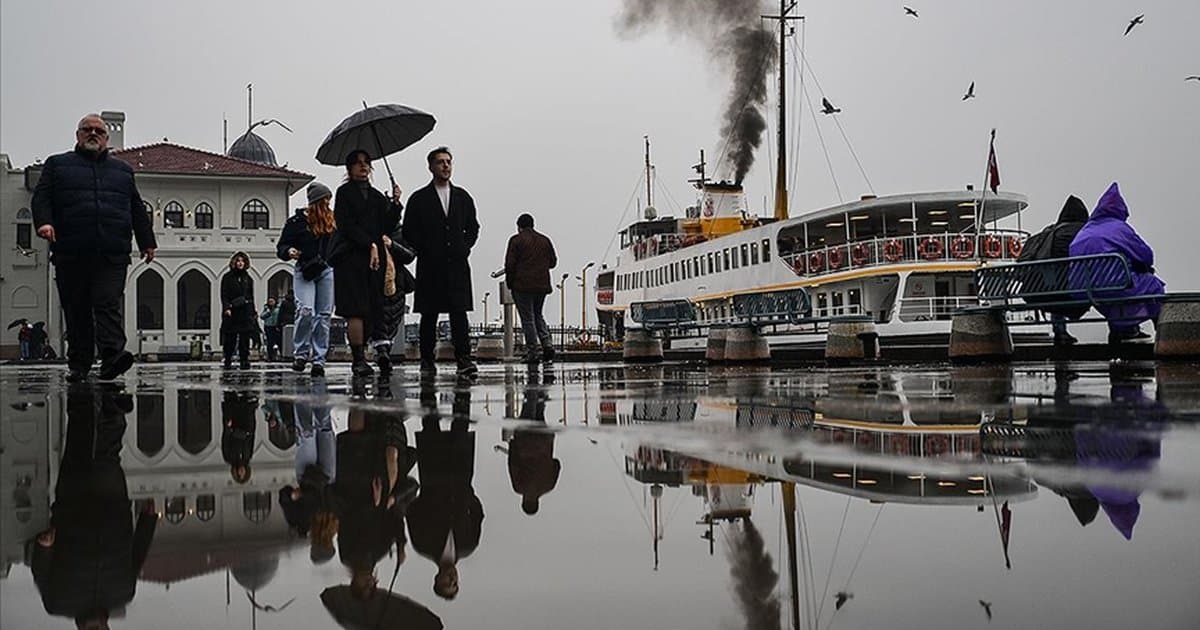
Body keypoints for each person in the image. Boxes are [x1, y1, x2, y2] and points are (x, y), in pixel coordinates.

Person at [31, 113, 157, 382]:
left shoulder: (122, 171)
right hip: (71, 251)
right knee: (76, 308)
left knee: (107, 302)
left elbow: (136, 207)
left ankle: (113, 356)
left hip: (112, 251)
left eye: (98, 131)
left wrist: (147, 241)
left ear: (106, 138)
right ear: (77, 135)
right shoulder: (58, 165)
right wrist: (44, 222)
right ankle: (80, 362)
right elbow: (42, 198)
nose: (93, 134)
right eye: (87, 130)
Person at [29, 385, 158, 629]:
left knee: (79, 446)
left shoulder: (58, 602)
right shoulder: (123, 594)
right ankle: (112, 399)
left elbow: (41, 573)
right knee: (108, 454)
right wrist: (148, 521)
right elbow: (137, 555)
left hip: (73, 509)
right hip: (113, 510)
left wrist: (44, 548)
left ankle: (82, 394)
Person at [402, 147, 481, 377]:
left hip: (457, 263)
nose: (445, 166)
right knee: (429, 313)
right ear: (431, 167)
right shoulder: (419, 198)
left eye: (448, 162)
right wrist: (424, 247)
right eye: (440, 162)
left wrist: (464, 246)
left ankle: (464, 359)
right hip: (430, 264)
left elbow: (473, 227)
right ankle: (427, 360)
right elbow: (409, 230)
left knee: (459, 313)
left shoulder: (462, 197)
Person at [331, 151, 403, 377]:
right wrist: (369, 244)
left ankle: (382, 351)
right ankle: (359, 358)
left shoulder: (375, 196)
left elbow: (386, 226)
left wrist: (396, 203)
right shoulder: (344, 193)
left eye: (366, 164)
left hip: (375, 260)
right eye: (358, 164)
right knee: (355, 309)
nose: (363, 167)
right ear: (349, 169)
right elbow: (346, 225)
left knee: (376, 304)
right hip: (351, 257)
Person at [407, 386, 482, 600]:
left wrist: (426, 497)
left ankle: (428, 388)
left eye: (447, 583)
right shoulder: (468, 545)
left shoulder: (423, 545)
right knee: (461, 424)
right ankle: (462, 391)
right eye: (455, 584)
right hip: (460, 477)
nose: (452, 579)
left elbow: (412, 514)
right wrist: (468, 494)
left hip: (433, 477)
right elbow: (477, 515)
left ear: (437, 579)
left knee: (430, 422)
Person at [1069, 182, 1166, 344]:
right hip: (1115, 286)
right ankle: (1162, 333)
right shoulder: (1119, 228)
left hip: (1083, 288)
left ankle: (1120, 330)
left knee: (1111, 290)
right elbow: (1146, 255)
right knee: (1154, 285)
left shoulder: (1084, 231)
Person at [279, 182, 337, 377]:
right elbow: (282, 245)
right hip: (304, 269)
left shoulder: (332, 221)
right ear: (315, 202)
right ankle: (301, 353)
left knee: (324, 315)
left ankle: (319, 359)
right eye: (325, 200)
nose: (328, 203)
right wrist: (289, 251)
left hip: (326, 269)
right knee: (306, 310)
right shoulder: (296, 222)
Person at [1018, 195, 1091, 347]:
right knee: (1106, 285)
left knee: (1054, 285)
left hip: (1042, 291)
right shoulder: (1083, 232)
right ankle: (1123, 330)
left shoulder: (1048, 233)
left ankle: (1060, 331)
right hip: (1076, 292)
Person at [504, 213, 558, 365]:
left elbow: (510, 265)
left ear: (519, 227)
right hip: (542, 285)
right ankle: (547, 345)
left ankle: (533, 352)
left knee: (527, 319)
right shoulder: (544, 240)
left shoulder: (516, 241)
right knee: (538, 315)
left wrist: (510, 283)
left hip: (522, 285)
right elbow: (553, 262)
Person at [368, 227, 416, 376]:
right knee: (380, 316)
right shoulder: (373, 228)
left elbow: (410, 255)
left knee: (391, 318)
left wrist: (392, 246)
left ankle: (383, 349)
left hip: (395, 280)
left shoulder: (402, 232)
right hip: (379, 281)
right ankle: (383, 349)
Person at [220, 252, 257, 369]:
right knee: (230, 338)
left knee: (245, 338)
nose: (240, 263)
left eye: (242, 261)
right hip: (232, 311)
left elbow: (251, 296)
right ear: (234, 262)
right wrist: (226, 308)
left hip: (245, 312)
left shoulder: (248, 278)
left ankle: (244, 359)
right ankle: (228, 358)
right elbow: (224, 294)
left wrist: (253, 311)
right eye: (238, 261)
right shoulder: (227, 277)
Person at [221, 390, 258, 484]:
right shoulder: (248, 457)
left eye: (239, 474)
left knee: (231, 396)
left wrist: (230, 429)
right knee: (245, 395)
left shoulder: (229, 458)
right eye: (243, 474)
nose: (241, 472)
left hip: (233, 422)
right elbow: (251, 438)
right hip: (245, 421)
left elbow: (225, 440)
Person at [260, 297, 281, 362]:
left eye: (272, 301)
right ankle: (270, 356)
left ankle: (279, 355)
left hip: (276, 326)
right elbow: (262, 316)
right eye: (270, 301)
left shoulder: (278, 308)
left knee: (278, 341)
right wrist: (268, 312)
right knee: (270, 342)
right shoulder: (266, 309)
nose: (271, 303)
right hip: (268, 326)